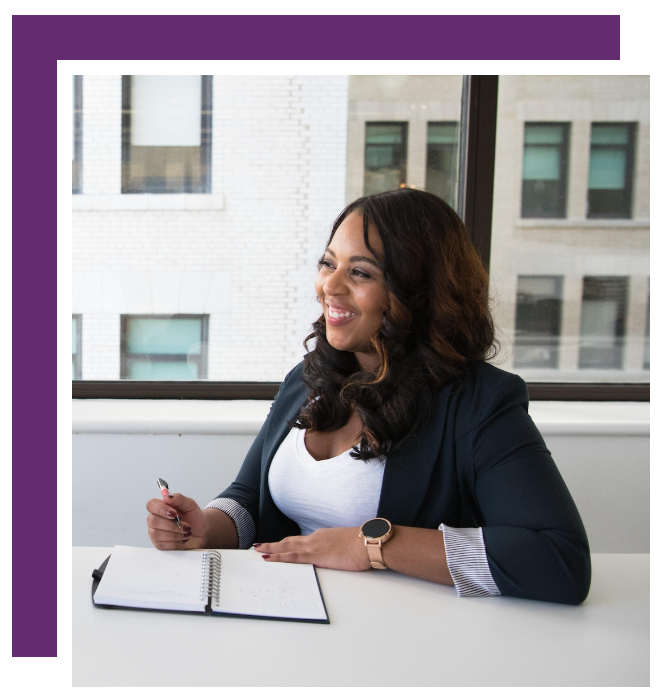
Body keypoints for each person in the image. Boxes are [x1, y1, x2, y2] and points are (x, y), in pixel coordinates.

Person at [146, 188, 591, 605]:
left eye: (359, 272)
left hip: (397, 645)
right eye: (328, 263)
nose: (330, 286)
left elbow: (558, 560)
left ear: (419, 292)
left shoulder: (480, 402)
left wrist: (374, 544)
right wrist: (206, 527)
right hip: (289, 619)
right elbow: (249, 498)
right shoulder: (308, 379)